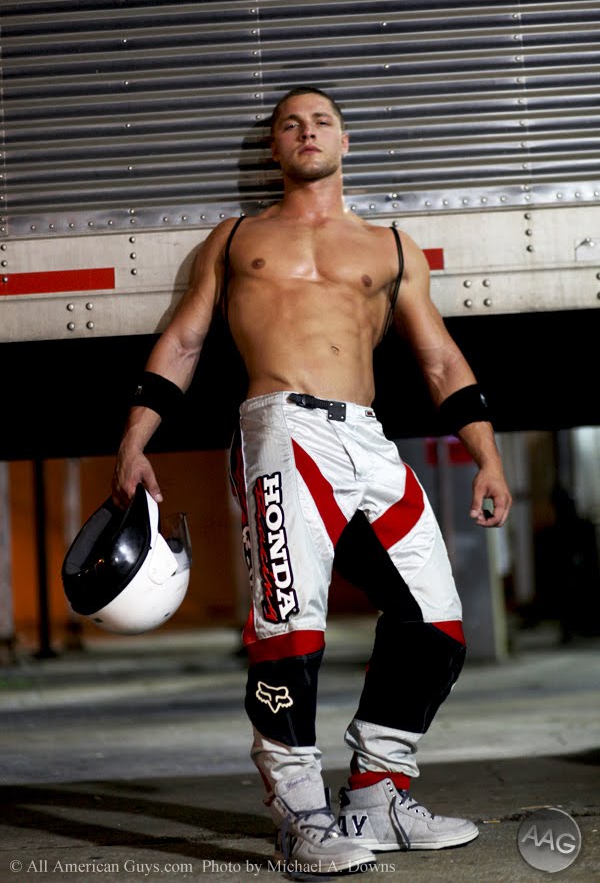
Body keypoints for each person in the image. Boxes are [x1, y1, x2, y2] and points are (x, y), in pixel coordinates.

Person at [112, 86, 512, 874]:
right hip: (281, 428)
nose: (307, 132)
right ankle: (301, 818)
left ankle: (377, 795)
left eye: (321, 121)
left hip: (367, 436)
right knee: (289, 627)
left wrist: (487, 455)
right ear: (275, 147)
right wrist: (134, 442)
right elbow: (184, 342)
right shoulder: (239, 238)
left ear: (345, 141)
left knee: (435, 620)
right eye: (290, 124)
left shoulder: (390, 246)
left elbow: (439, 359)